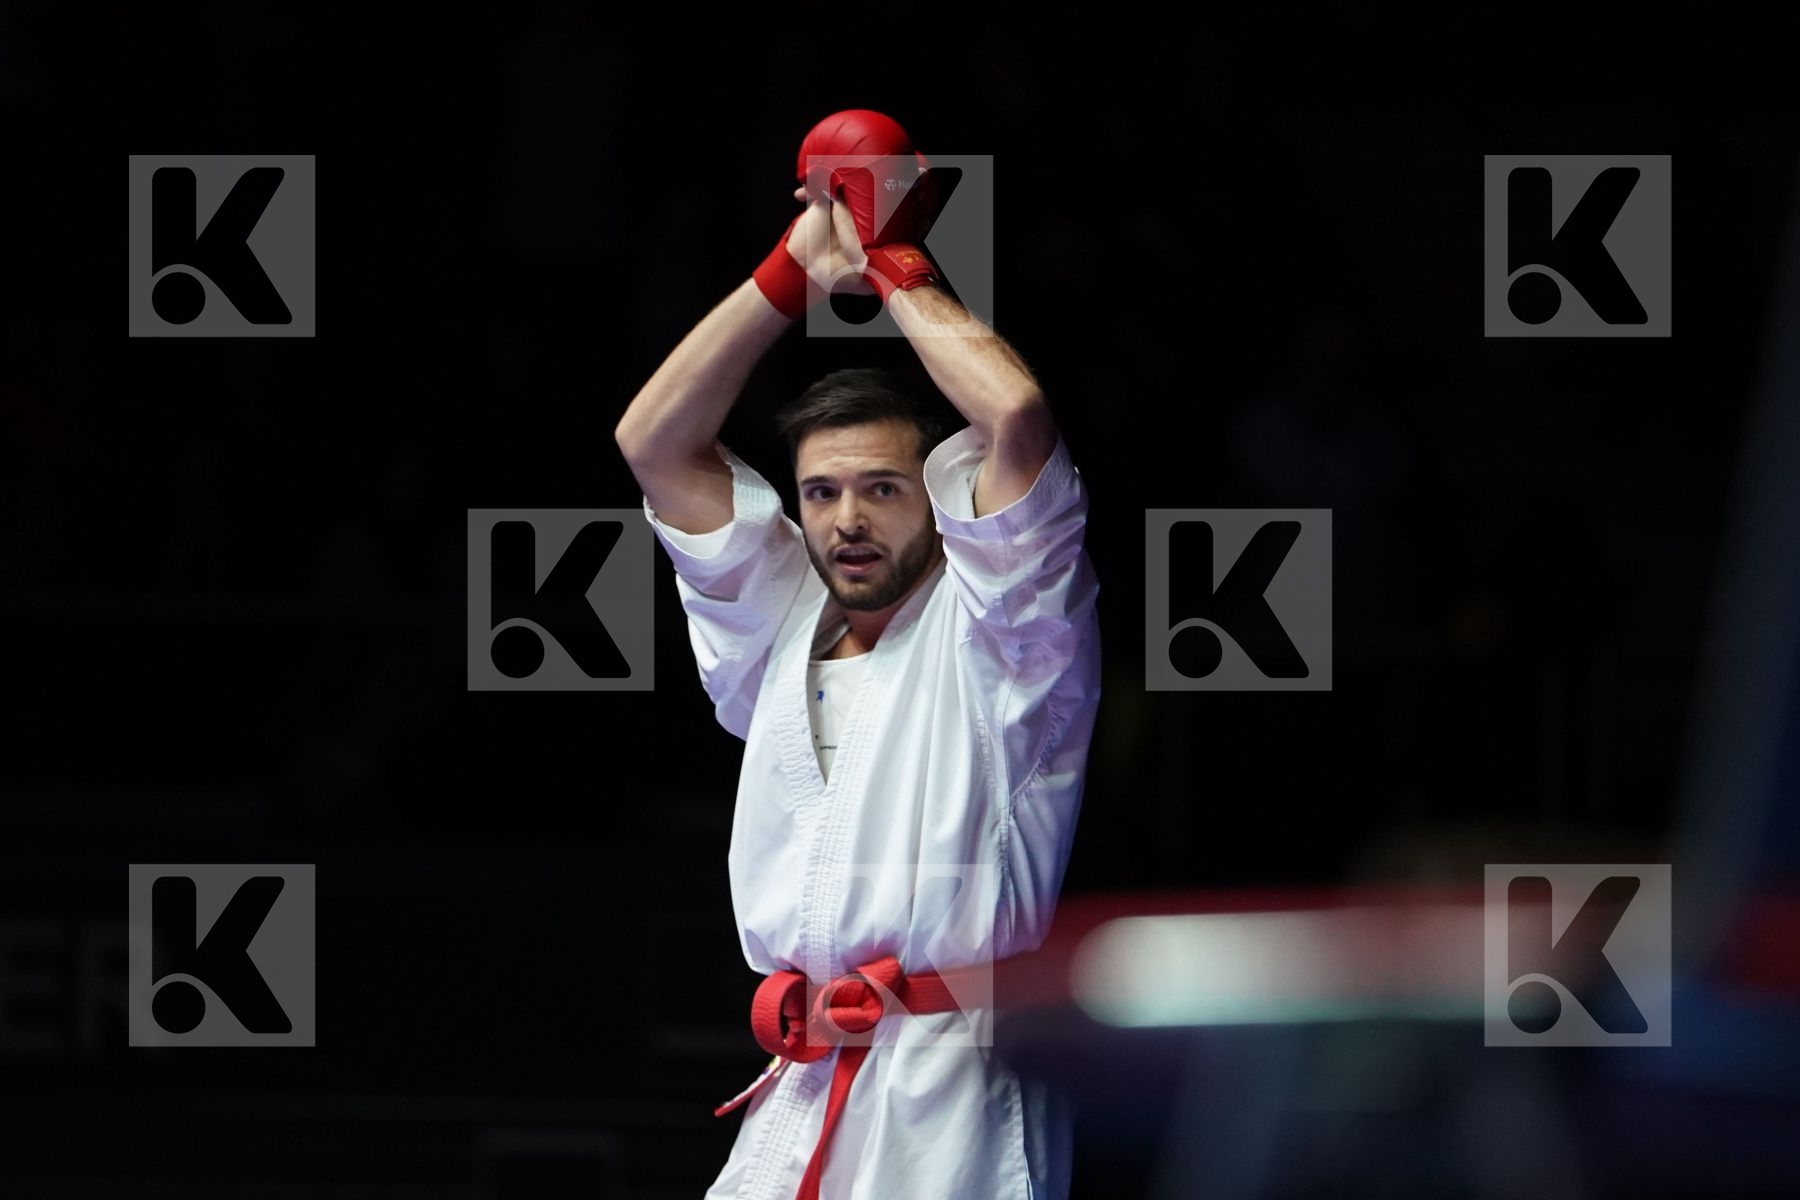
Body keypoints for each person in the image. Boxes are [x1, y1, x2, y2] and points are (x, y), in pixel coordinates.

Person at [613, 120, 1101, 1200]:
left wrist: (891, 265)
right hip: (803, 1074)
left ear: (934, 498)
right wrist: (795, 267)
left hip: (957, 1090)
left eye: (881, 488)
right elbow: (653, 442)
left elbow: (1014, 411)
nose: (845, 520)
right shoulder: (779, 626)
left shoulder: (1011, 641)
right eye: (822, 493)